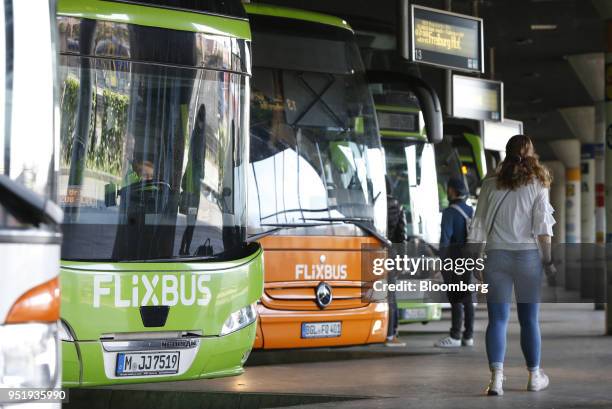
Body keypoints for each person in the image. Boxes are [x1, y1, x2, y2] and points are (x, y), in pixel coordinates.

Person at [467, 134, 556, 396]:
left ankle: (496, 379)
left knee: (498, 320)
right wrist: (548, 260)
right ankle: (534, 376)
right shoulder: (538, 182)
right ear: (530, 153)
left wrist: (473, 259)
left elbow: (479, 224)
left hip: (497, 257)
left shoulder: (491, 183)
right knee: (529, 320)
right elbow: (543, 228)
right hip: (528, 256)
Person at [434, 177, 475, 348]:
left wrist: (441, 263)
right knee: (467, 297)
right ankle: (468, 336)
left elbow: (445, 240)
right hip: (470, 259)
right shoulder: (471, 211)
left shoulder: (449, 213)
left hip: (454, 259)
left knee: (456, 298)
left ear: (452, 191)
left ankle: (455, 336)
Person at [385, 176, 407, 347]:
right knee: (391, 294)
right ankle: (392, 332)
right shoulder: (397, 206)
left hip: (372, 251)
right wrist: (402, 260)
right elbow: (402, 237)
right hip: (391, 253)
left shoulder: (372, 205)